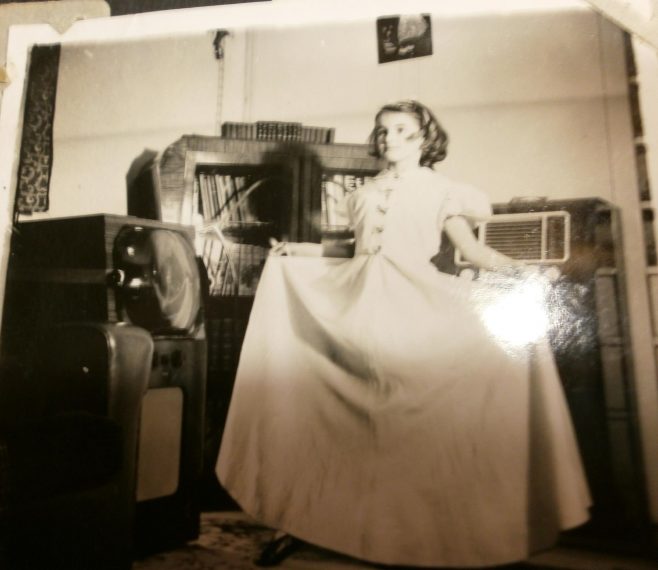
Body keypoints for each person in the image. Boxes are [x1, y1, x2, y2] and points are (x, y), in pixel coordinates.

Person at [216, 100, 591, 568]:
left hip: (412, 307)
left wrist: (529, 272)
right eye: (382, 130)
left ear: (423, 139)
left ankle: (427, 536)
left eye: (399, 129)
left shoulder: (444, 192)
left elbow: (472, 252)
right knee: (337, 416)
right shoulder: (362, 193)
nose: (387, 137)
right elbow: (351, 248)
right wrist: (298, 249)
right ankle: (303, 519)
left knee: (407, 422)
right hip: (354, 309)